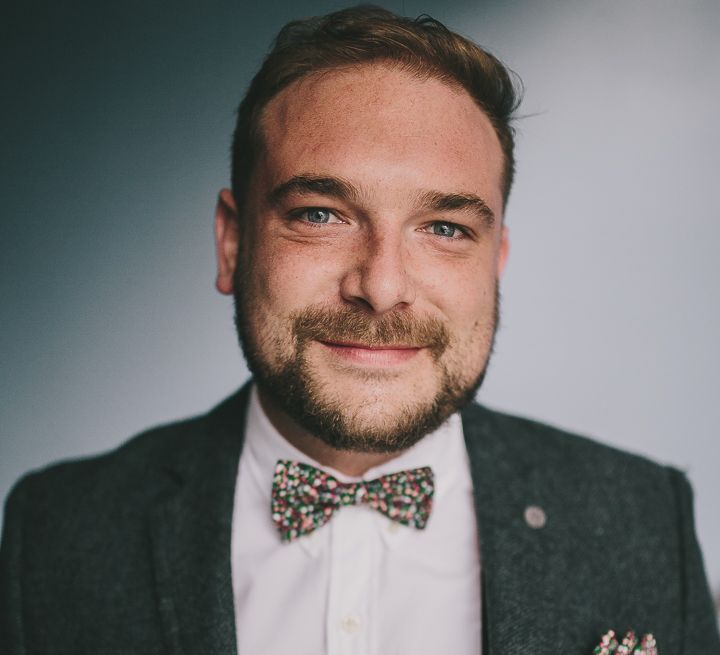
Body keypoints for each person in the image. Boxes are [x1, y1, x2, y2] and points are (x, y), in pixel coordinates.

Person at [1, 5, 718, 654]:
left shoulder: (643, 519)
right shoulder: (55, 533)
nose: (380, 287)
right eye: (320, 214)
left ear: (496, 260)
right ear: (232, 242)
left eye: (443, 227)